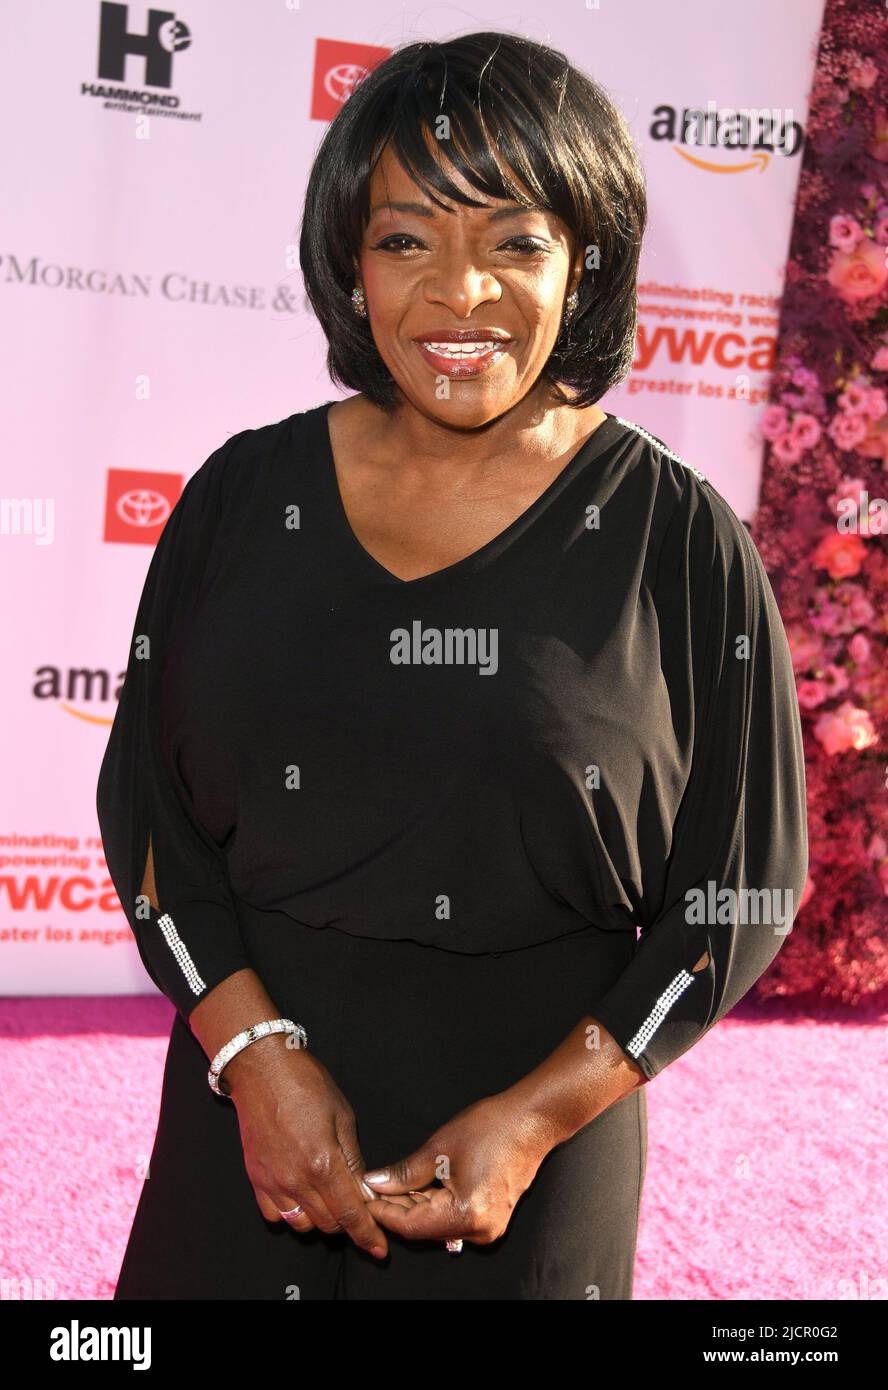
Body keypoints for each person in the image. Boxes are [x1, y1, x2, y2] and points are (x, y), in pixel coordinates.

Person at [96, 30, 808, 1301]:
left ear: (583, 263)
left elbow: (737, 894)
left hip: (532, 1175)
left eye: (515, 244)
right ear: (350, 261)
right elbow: (151, 822)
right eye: (407, 238)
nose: (458, 295)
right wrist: (255, 1057)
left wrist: (534, 1120)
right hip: (242, 1133)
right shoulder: (240, 499)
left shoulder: (681, 542)